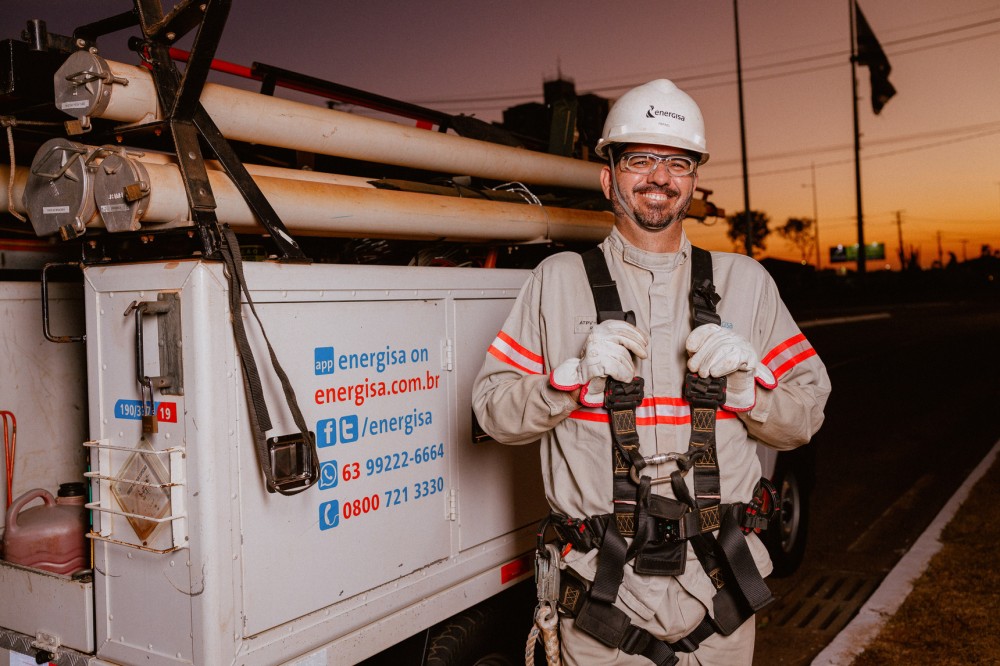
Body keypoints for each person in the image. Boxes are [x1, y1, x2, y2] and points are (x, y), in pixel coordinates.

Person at [472, 79, 831, 666]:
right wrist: (567, 379)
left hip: (720, 600)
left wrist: (750, 390)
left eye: (678, 162)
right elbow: (492, 412)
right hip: (603, 600)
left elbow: (806, 417)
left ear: (693, 179)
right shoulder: (556, 281)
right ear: (609, 175)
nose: (659, 177)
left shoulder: (747, 283)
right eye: (640, 159)